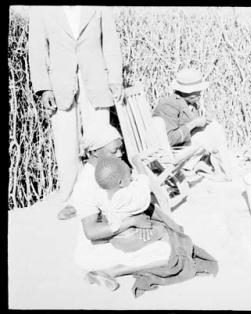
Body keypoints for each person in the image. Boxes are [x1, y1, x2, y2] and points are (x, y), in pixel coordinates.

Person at [28, 6, 123, 220]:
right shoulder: (42, 10)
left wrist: (115, 79)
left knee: (102, 141)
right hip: (60, 86)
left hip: (97, 84)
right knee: (66, 146)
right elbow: (37, 49)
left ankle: (106, 197)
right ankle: (72, 200)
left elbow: (110, 42)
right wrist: (44, 88)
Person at [72, 124, 171, 291]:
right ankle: (112, 271)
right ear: (95, 152)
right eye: (114, 151)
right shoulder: (86, 184)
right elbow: (92, 232)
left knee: (168, 241)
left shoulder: (110, 168)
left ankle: (113, 269)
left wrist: (137, 221)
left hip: (119, 233)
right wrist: (132, 221)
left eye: (121, 150)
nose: (119, 154)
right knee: (167, 252)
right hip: (97, 247)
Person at [152, 68, 233, 181]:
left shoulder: (189, 102)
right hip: (170, 151)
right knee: (211, 133)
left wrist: (204, 121)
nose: (200, 93)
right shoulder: (168, 105)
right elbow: (169, 139)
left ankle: (223, 170)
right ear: (187, 91)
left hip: (184, 145)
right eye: (197, 90)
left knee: (214, 127)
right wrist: (194, 123)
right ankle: (222, 171)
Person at [94, 156, 164, 252]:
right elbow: (143, 187)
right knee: (162, 230)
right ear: (120, 182)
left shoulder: (101, 195)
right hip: (131, 238)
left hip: (116, 239)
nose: (131, 179)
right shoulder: (126, 196)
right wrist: (139, 165)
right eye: (129, 177)